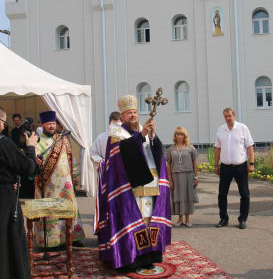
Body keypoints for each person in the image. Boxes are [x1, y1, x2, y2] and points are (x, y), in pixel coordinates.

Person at [95, 95, 171, 271]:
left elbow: (156, 152)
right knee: (133, 221)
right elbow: (122, 154)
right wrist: (143, 135)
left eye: (135, 112)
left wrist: (151, 137)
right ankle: (130, 259)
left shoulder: (140, 132)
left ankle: (149, 256)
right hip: (128, 188)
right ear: (121, 116)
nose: (133, 115)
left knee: (148, 221)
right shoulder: (116, 132)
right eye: (129, 113)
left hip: (149, 184)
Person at [34, 110, 85, 248]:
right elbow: (35, 160)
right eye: (48, 124)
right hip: (49, 184)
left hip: (66, 184)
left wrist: (75, 175)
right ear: (43, 125)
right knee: (51, 212)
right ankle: (51, 241)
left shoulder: (62, 139)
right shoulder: (38, 142)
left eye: (53, 123)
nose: (51, 126)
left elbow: (71, 159)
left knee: (69, 209)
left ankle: (73, 237)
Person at [0, 107, 37, 279]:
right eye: (4, 122)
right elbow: (27, 167)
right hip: (4, 200)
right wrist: (30, 148)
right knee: (9, 242)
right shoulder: (4, 143)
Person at [214, 108, 254, 230]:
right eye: (225, 116)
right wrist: (216, 164)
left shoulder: (242, 128)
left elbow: (249, 147)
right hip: (225, 167)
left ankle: (242, 219)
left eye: (229, 116)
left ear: (234, 115)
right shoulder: (221, 130)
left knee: (245, 194)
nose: (227, 118)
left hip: (240, 166)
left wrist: (251, 163)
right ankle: (224, 218)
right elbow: (217, 149)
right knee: (222, 194)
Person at [166, 126, 198, 227]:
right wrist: (170, 179)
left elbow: (195, 163)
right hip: (176, 176)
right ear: (175, 136)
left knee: (187, 196)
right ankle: (180, 219)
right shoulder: (171, 149)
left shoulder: (190, 148)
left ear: (185, 136)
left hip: (188, 175)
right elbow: (168, 165)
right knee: (178, 196)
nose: (179, 136)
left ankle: (187, 219)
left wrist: (196, 177)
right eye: (178, 134)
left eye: (181, 134)